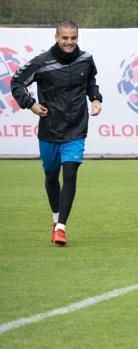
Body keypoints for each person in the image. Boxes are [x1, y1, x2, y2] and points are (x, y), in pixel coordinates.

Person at [11, 21, 102, 247]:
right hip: (50, 129)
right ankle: (55, 219)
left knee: (70, 172)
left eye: (73, 38)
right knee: (52, 176)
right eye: (65, 38)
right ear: (56, 37)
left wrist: (96, 98)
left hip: (76, 128)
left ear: (77, 37)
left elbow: (91, 83)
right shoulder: (42, 62)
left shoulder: (86, 59)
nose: (69, 42)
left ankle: (61, 228)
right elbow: (17, 82)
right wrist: (30, 104)